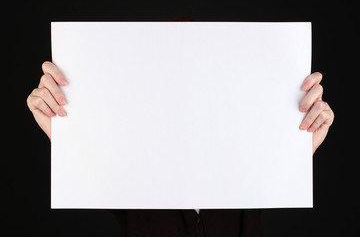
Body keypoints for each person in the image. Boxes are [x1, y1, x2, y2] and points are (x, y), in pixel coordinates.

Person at [27, 61, 334, 237]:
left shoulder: (245, 164)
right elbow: (95, 154)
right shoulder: (131, 169)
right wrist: (62, 122)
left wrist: (297, 139)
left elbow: (270, 169)